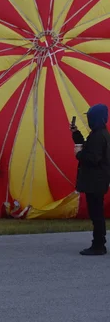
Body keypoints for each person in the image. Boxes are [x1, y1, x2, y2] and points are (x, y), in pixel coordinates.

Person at [71, 104, 110, 256]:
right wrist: (76, 134)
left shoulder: (97, 136)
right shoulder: (101, 134)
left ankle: (99, 245)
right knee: (96, 213)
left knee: (96, 214)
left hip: (95, 181)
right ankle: (99, 243)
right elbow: (88, 148)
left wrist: (79, 155)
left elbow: (93, 157)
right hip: (98, 181)